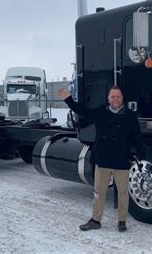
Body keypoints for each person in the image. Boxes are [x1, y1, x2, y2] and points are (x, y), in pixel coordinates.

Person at [58, 85, 144, 232]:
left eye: (118, 96)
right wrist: (68, 99)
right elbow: (82, 112)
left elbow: (137, 137)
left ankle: (122, 221)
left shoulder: (130, 115)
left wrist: (138, 154)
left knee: (123, 192)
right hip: (103, 159)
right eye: (112, 97)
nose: (115, 99)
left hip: (122, 159)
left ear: (122, 99)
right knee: (99, 192)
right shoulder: (101, 112)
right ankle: (95, 220)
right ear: (108, 99)